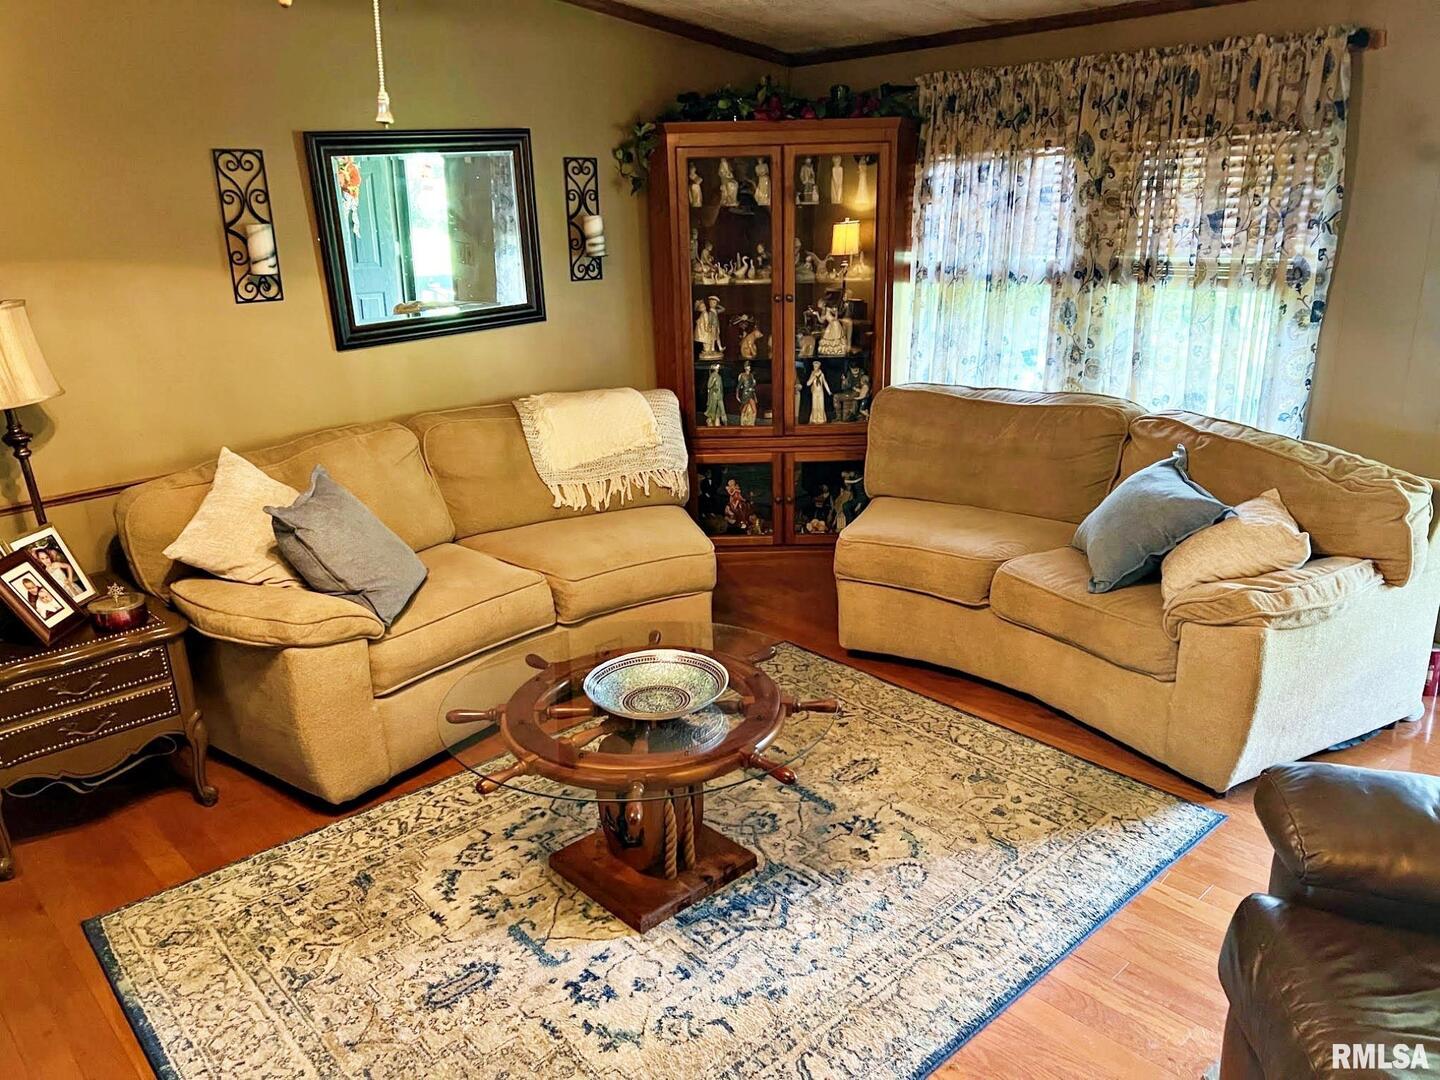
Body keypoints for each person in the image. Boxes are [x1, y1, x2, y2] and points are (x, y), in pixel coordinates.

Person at [736, 360, 758, 426]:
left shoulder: (751, 375)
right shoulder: (742, 376)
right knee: (743, 409)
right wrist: (737, 395)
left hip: (751, 394)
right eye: (748, 366)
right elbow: (738, 386)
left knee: (754, 410)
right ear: (745, 367)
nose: (749, 368)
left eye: (749, 366)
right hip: (745, 394)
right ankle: (742, 423)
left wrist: (754, 383)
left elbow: (753, 385)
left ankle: (751, 423)